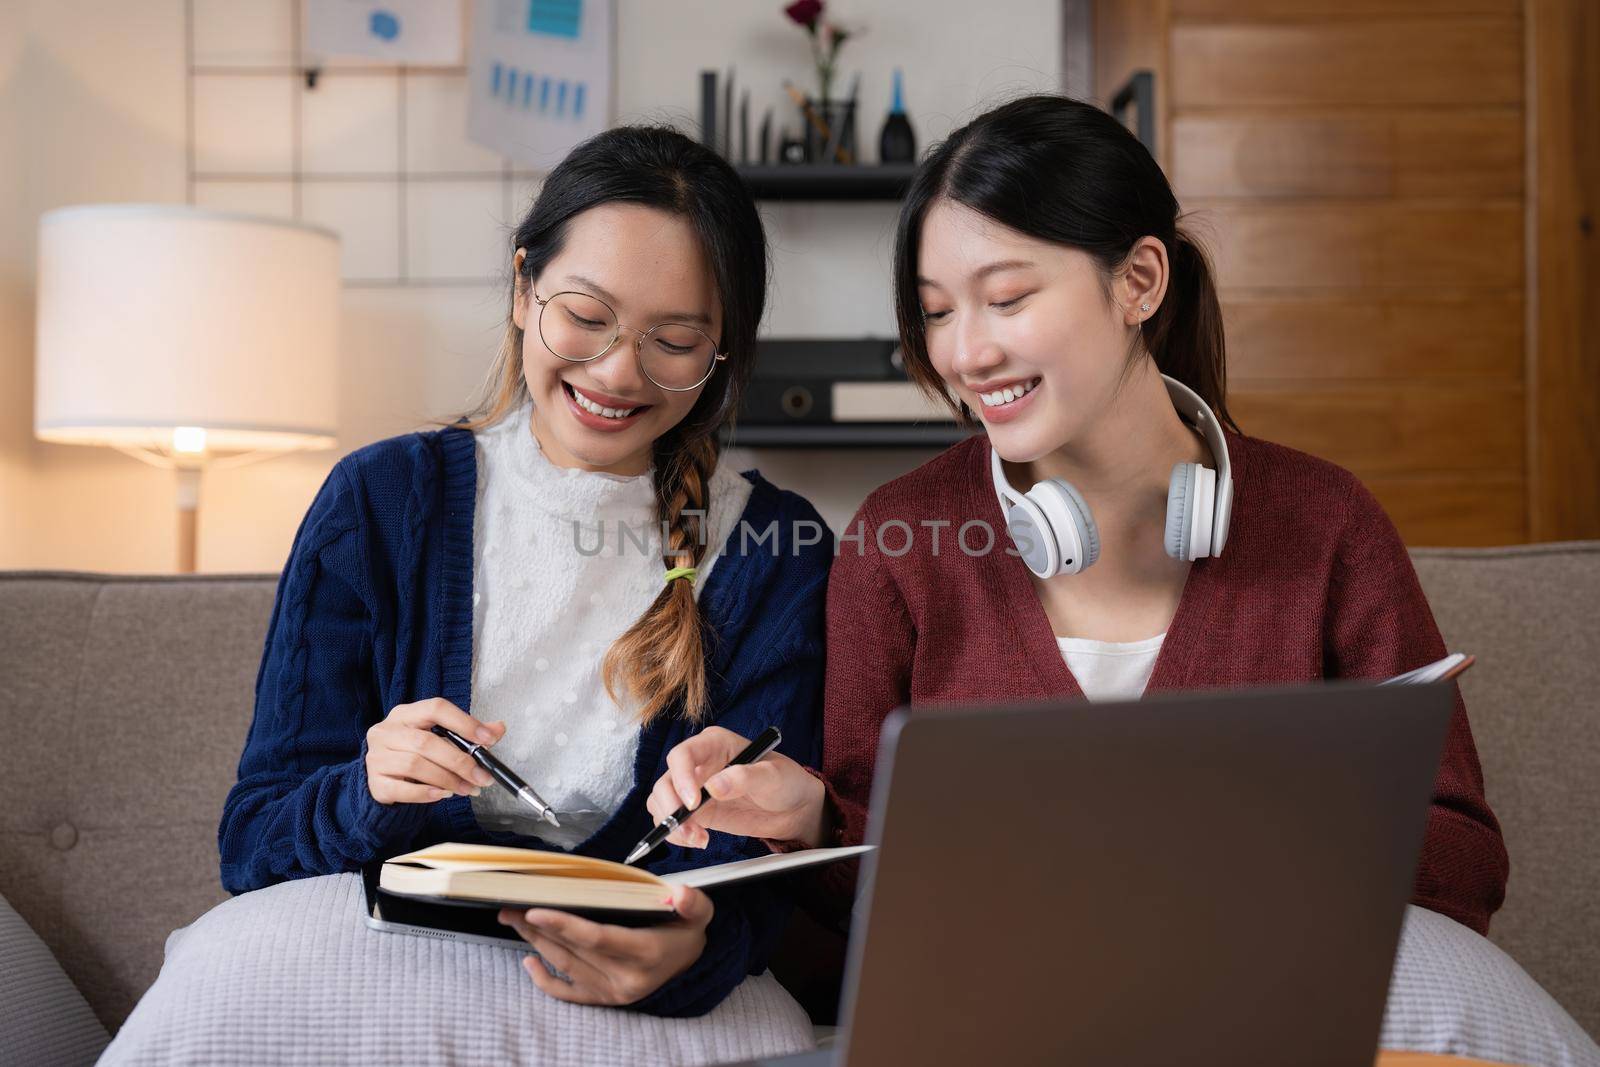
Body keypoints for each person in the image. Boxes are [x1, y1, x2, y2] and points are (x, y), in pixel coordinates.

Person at [647, 94, 1509, 950]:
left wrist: (1261, 839)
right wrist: (813, 819)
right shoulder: (899, 541)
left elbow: (1466, 862)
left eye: (1008, 297)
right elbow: (853, 896)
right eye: (939, 311)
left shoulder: (1325, 523)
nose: (966, 355)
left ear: (1138, 281)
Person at [217, 124, 833, 1017]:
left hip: (634, 1008)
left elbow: (755, 901)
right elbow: (251, 842)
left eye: (677, 339)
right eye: (585, 317)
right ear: (522, 288)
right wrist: (369, 787)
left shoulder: (777, 551)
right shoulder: (380, 501)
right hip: (380, 969)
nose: (618, 371)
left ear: (724, 351)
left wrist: (687, 954)